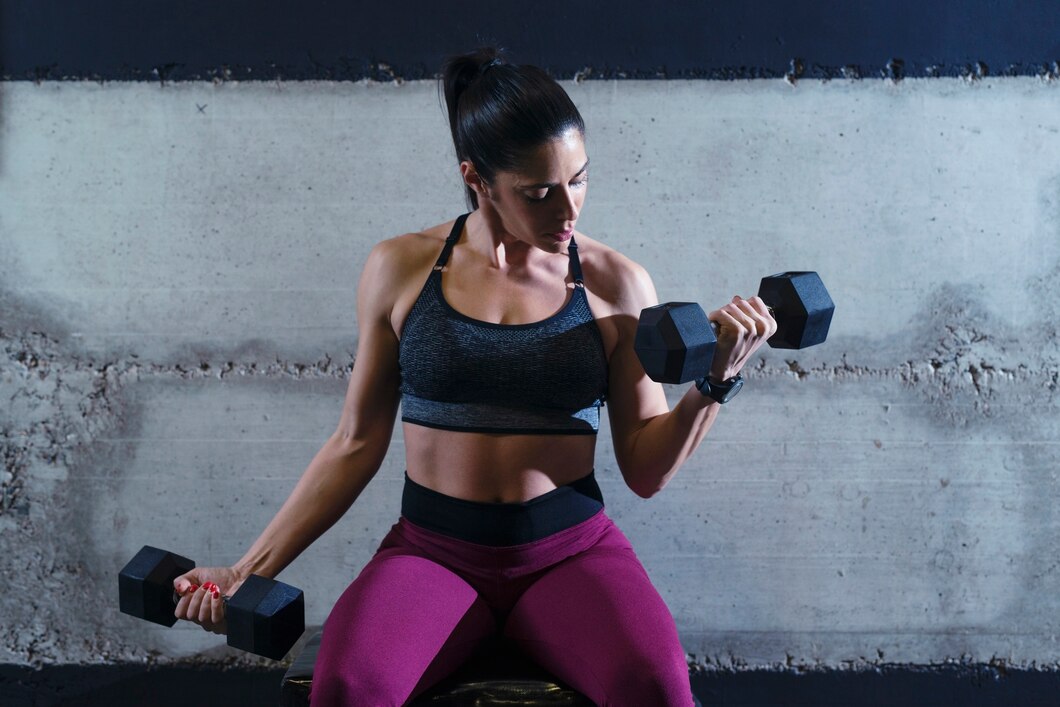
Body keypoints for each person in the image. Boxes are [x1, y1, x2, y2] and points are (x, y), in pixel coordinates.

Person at [171, 47, 777, 706]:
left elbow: (645, 468)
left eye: (579, 179)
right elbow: (354, 443)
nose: (567, 209)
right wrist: (245, 570)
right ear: (477, 178)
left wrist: (716, 382)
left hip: (569, 553)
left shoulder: (614, 284)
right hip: (433, 555)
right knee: (348, 689)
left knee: (658, 688)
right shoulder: (400, 269)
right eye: (539, 192)